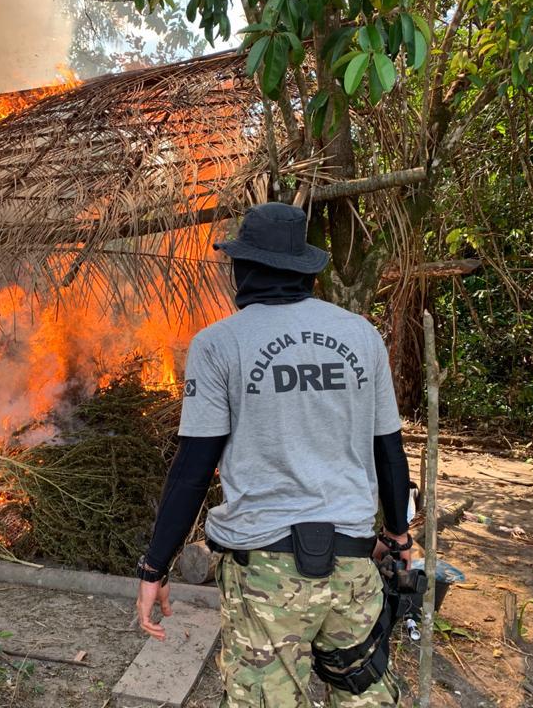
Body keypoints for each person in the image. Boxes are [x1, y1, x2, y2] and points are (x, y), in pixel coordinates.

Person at [134, 202, 412, 707]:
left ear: (243, 268)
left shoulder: (219, 344)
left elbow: (194, 470)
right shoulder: (361, 335)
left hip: (264, 573)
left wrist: (156, 567)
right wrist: (398, 537)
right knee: (366, 698)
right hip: (352, 565)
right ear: (305, 269)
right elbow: (388, 450)